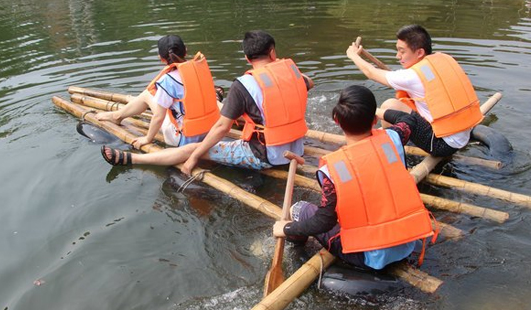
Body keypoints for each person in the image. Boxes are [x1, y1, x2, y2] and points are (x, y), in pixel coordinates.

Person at [101, 30, 314, 174]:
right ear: (273, 52)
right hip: (296, 147)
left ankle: (134, 160)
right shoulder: (294, 74)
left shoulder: (244, 85)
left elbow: (222, 127)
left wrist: (195, 157)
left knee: (193, 149)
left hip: (265, 155)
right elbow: (309, 83)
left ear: (247, 58)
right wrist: (282, 71)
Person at [273, 85, 436, 270]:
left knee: (300, 209)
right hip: (407, 241)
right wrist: (379, 112)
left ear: (336, 121)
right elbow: (408, 119)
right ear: (375, 120)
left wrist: (286, 229)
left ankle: (298, 251)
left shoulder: (333, 168)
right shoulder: (393, 138)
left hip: (370, 256)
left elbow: (323, 221)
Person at [346, 24, 483, 157]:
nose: (397, 56)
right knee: (392, 105)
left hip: (442, 144)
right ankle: (398, 138)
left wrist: (353, 56)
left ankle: (392, 149)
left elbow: (371, 73)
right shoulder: (442, 60)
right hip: (461, 133)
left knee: (385, 107)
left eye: (402, 51)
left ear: (420, 53)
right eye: (397, 50)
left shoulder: (412, 76)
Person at [95, 35, 220, 150]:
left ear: (161, 59)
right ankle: (122, 111)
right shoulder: (200, 69)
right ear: (186, 50)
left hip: (184, 139)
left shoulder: (168, 80)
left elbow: (158, 117)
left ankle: (117, 116)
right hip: (211, 131)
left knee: (147, 95)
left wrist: (147, 138)